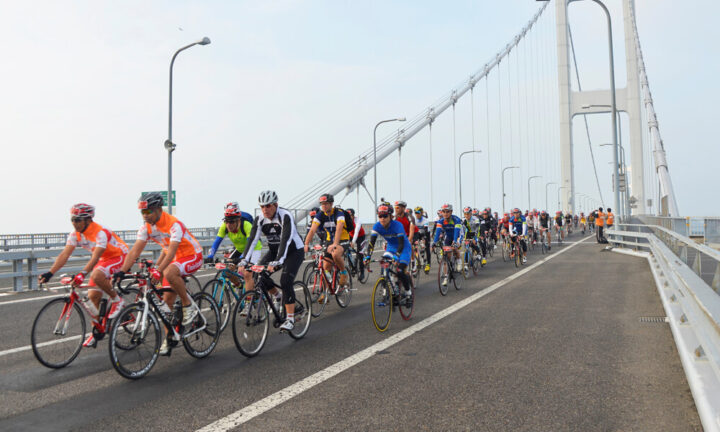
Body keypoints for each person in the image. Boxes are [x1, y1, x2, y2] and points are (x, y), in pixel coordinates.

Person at [114, 192, 204, 355]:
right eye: (142, 212)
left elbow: (171, 252)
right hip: (175, 258)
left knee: (168, 272)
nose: (145, 216)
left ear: (158, 209)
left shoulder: (173, 224)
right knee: (166, 302)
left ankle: (187, 305)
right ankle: (170, 337)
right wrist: (122, 271)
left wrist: (159, 270)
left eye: (148, 211)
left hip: (192, 255)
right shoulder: (146, 228)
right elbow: (135, 250)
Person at [39, 203, 129, 348]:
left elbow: (95, 257)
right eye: (72, 220)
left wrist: (82, 274)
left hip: (119, 256)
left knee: (97, 275)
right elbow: (65, 254)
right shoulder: (75, 235)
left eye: (78, 220)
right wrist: (50, 273)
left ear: (88, 219)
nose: (74, 223)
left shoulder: (101, 232)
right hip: (103, 260)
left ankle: (117, 300)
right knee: (92, 297)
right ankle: (97, 331)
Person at [242, 190, 305, 331]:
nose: (265, 209)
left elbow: (286, 239)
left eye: (268, 206)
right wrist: (244, 260)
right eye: (262, 206)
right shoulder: (259, 219)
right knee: (259, 275)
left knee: (285, 281)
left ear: (276, 205)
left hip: (294, 251)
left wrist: (278, 261)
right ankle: (277, 296)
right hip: (274, 251)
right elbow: (252, 240)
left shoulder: (285, 216)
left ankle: (290, 318)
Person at [204, 202, 263, 286]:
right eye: (226, 221)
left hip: (253, 249)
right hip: (240, 249)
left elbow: (250, 244)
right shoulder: (224, 226)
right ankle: (239, 286)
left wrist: (242, 258)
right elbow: (217, 242)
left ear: (238, 220)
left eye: (231, 222)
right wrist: (210, 256)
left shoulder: (246, 225)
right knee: (228, 270)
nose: (228, 225)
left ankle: (249, 297)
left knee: (246, 273)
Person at [363, 204, 413, 300]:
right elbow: (371, 244)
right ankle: (390, 287)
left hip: (403, 249)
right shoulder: (377, 226)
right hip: (391, 248)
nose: (382, 218)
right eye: (380, 216)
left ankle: (408, 293)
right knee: (384, 264)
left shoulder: (398, 225)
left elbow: (401, 244)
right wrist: (368, 256)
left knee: (400, 270)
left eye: (385, 216)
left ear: (390, 216)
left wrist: (397, 256)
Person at [303, 193, 351, 287]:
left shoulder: (339, 213)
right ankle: (326, 291)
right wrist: (306, 244)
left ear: (331, 204)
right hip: (329, 240)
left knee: (335, 254)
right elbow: (312, 230)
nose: (323, 206)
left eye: (326, 203)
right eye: (322, 204)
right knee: (325, 268)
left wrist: (335, 244)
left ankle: (343, 273)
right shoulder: (320, 215)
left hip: (342, 239)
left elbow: (339, 229)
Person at [433, 203, 463, 286]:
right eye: (443, 211)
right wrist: (434, 243)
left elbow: (457, 231)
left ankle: (459, 261)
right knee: (446, 256)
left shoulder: (456, 220)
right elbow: (437, 233)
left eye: (447, 211)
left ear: (451, 212)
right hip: (448, 237)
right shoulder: (440, 221)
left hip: (457, 235)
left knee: (454, 247)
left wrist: (455, 241)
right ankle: (446, 276)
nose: (445, 213)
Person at [414, 206, 432, 273]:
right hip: (417, 233)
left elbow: (426, 230)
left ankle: (428, 264)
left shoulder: (425, 220)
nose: (417, 214)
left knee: (427, 248)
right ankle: (418, 258)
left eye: (418, 213)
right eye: (415, 213)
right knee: (414, 245)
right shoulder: (414, 220)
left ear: (421, 213)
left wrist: (424, 239)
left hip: (425, 233)